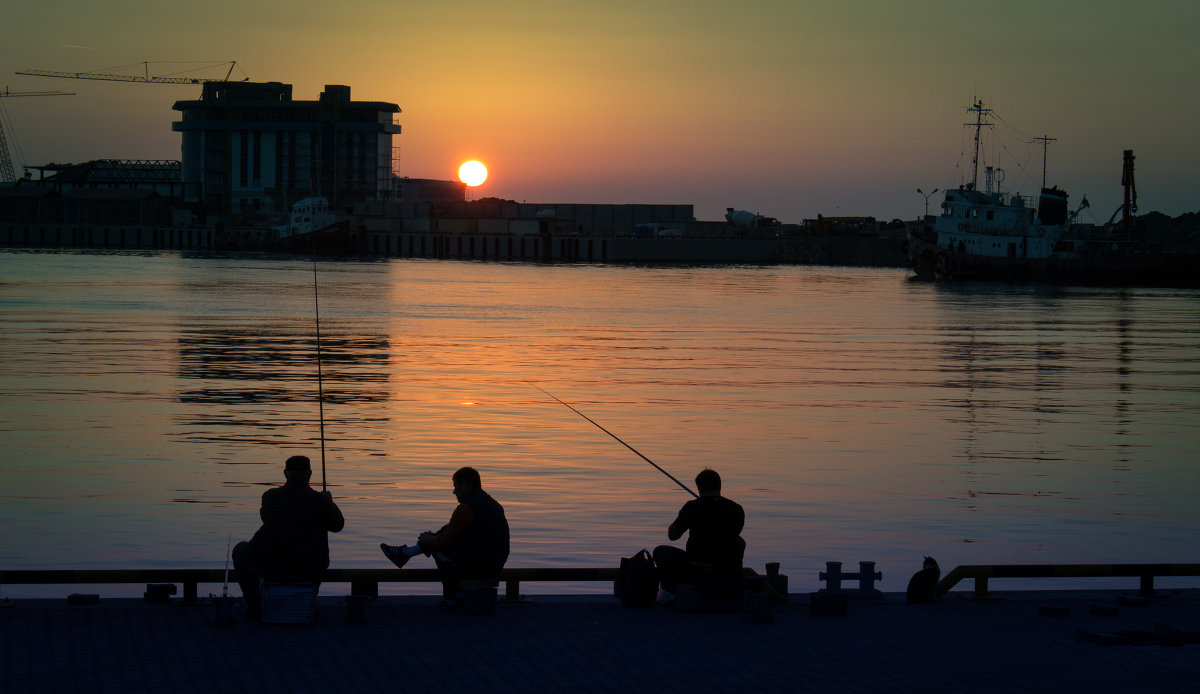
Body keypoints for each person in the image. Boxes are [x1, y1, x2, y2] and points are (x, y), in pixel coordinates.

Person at [232, 455, 345, 620]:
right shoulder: (321, 501)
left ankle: (254, 603)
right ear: (309, 474)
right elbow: (338, 526)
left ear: (286, 474)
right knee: (318, 558)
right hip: (309, 570)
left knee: (240, 550)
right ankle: (309, 600)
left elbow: (266, 518)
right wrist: (330, 502)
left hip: (272, 568)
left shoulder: (270, 496)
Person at [380, 466, 510, 607]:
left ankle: (453, 596)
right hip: (495, 565)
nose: (454, 491)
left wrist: (428, 540)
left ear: (464, 485)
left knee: (437, 547)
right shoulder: (493, 504)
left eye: (455, 486)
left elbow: (443, 541)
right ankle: (405, 554)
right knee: (445, 530)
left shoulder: (466, 508)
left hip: (478, 568)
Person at [652, 468, 745, 598]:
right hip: (729, 570)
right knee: (739, 541)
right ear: (719, 486)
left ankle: (670, 590)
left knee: (660, 551)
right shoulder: (737, 509)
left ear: (700, 487)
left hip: (697, 570)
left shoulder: (692, 507)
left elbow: (672, 536)